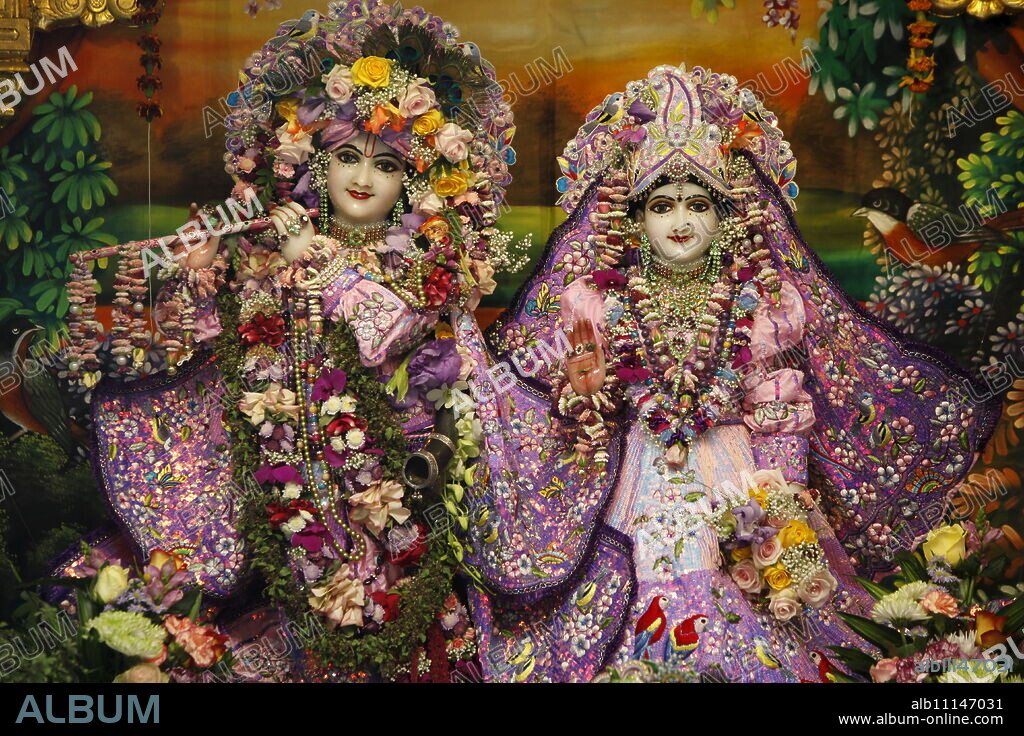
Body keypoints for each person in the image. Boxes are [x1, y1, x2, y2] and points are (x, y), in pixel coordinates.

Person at [454, 64, 1001, 682]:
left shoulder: (764, 306)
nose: (679, 220)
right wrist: (587, 395)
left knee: (783, 600)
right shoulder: (596, 302)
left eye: (697, 203)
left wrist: (783, 502)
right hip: (634, 475)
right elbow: (580, 419)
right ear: (634, 220)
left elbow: (779, 409)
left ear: (728, 215)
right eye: (661, 205)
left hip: (742, 475)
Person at [52, 1, 516, 682]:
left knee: (409, 636)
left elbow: (389, 333)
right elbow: (204, 342)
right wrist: (193, 274)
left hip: (392, 477)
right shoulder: (268, 253)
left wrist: (321, 261)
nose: (362, 177)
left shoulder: (424, 259)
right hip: (282, 481)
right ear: (315, 163)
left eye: (384, 164)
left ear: (411, 178)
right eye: (346, 157)